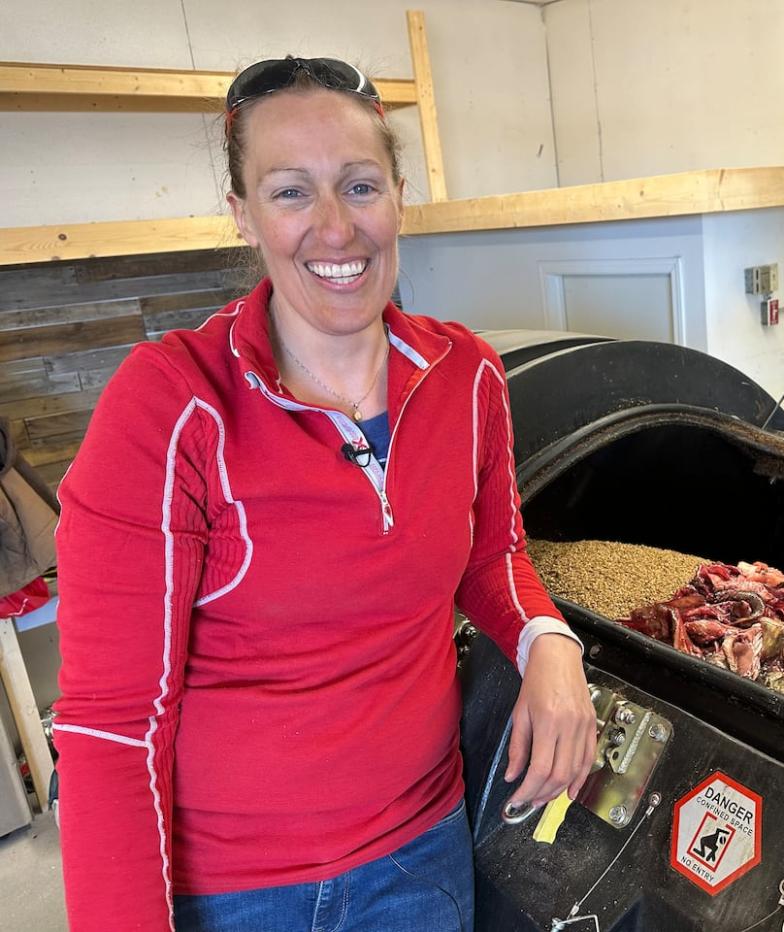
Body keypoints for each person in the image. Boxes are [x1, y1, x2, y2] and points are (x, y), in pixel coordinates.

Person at [52, 57, 597, 932]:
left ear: (398, 196)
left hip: (422, 858)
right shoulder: (171, 405)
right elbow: (112, 728)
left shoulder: (466, 375)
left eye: (359, 185)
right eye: (291, 193)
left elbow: (493, 554)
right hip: (234, 890)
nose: (337, 229)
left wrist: (550, 645)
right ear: (243, 214)